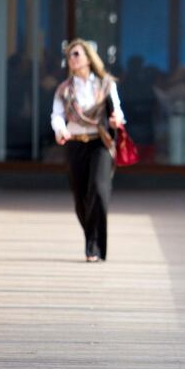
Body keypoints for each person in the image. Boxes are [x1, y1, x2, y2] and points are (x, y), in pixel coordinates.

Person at [50, 39, 125, 262]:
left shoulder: (105, 84)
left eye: (75, 54)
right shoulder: (64, 89)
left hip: (99, 143)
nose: (71, 59)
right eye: (69, 55)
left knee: (99, 192)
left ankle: (94, 246)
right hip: (74, 143)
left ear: (87, 57)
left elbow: (118, 112)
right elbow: (56, 115)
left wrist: (115, 120)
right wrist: (60, 129)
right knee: (81, 196)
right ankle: (91, 238)